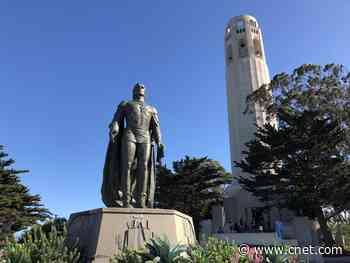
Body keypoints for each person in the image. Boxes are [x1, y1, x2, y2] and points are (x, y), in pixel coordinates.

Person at [102, 83, 165, 208]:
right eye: (138, 86)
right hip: (130, 134)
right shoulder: (126, 104)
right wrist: (114, 127)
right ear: (133, 91)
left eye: (142, 86)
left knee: (144, 166)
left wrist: (160, 142)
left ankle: (141, 200)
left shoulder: (152, 109)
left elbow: (156, 127)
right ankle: (126, 199)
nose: (140, 86)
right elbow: (116, 120)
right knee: (127, 165)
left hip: (145, 137)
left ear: (145, 91)